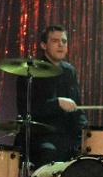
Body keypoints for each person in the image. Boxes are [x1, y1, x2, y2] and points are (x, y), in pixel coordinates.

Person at [16, 24, 87, 168]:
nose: (61, 45)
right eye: (55, 41)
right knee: (50, 152)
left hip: (66, 136)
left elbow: (77, 108)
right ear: (43, 45)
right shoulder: (30, 71)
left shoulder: (69, 71)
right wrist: (57, 103)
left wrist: (87, 132)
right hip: (40, 137)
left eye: (64, 41)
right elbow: (27, 110)